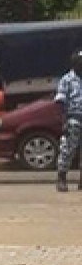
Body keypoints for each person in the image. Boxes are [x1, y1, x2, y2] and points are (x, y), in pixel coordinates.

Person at [55, 51, 82, 191]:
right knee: (67, 150)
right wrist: (63, 121)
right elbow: (60, 102)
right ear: (75, 63)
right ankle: (61, 178)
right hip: (73, 119)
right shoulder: (67, 79)